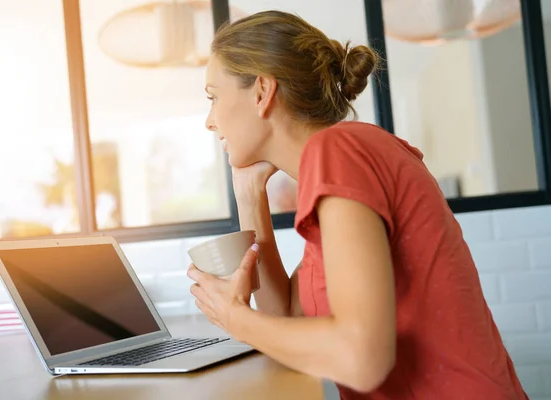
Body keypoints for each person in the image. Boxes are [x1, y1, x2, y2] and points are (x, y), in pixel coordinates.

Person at [186, 10, 528, 400]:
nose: (210, 122)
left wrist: (234, 318)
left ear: (262, 92)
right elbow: (286, 318)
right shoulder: (343, 162)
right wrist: (249, 196)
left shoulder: (340, 151)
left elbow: (361, 358)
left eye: (213, 98)